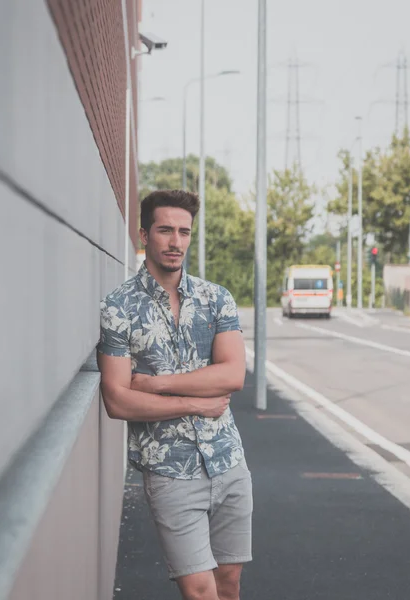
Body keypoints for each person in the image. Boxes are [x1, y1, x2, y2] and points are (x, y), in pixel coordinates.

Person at [98, 189, 252, 600]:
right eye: (166, 230)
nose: (176, 241)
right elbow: (117, 400)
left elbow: (233, 374)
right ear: (144, 234)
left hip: (227, 460)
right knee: (200, 591)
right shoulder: (118, 308)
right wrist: (196, 402)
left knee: (229, 583)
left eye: (184, 231)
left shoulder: (217, 298)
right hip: (170, 471)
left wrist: (156, 383)